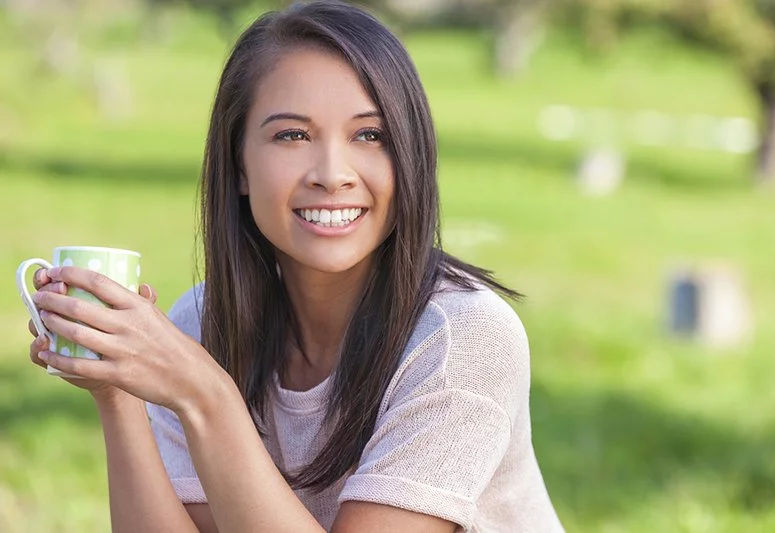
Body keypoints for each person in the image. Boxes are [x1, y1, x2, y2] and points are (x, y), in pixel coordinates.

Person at [26, 2, 564, 531]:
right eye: (292, 135)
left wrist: (202, 393)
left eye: (369, 136)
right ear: (239, 165)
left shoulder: (461, 339)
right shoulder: (205, 321)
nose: (333, 174)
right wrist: (117, 389)